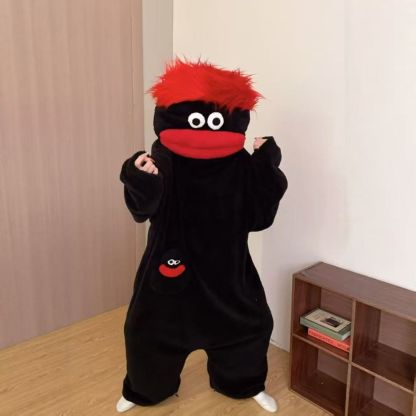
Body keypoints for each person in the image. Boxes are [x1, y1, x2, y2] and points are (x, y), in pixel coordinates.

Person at [117, 59, 288, 413]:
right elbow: (142, 209)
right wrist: (140, 176)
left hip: (228, 275)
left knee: (249, 327)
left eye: (215, 122)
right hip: (170, 274)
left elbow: (259, 216)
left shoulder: (240, 165)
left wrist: (265, 163)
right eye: (196, 121)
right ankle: (144, 390)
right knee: (147, 332)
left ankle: (244, 383)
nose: (205, 131)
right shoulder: (164, 159)